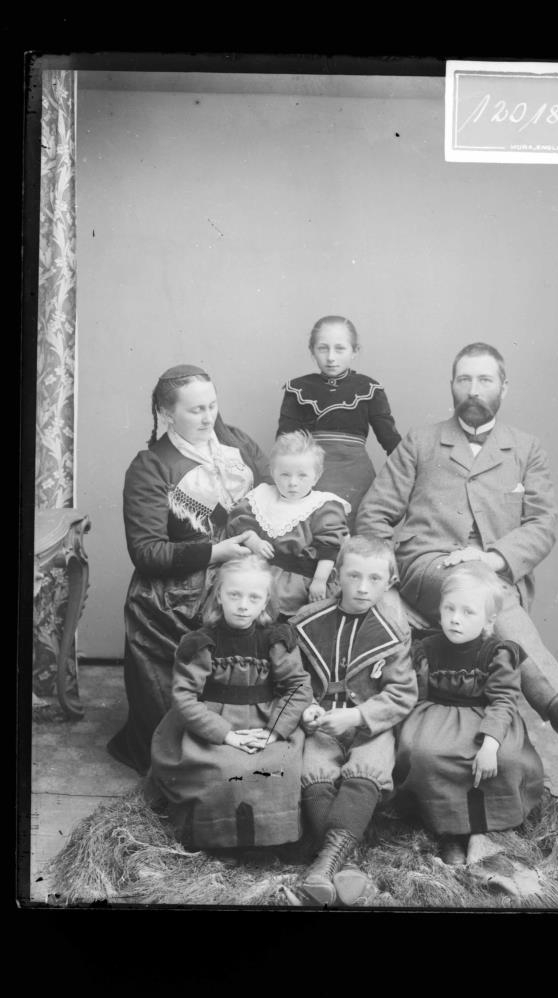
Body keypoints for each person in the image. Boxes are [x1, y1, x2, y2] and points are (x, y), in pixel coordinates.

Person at [355, 342, 558, 743]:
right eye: (464, 380)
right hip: (426, 564)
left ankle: (533, 712)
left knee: (483, 586)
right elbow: (374, 513)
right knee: (478, 586)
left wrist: (493, 559)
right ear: (451, 385)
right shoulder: (420, 441)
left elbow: (543, 523)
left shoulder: (526, 449)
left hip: (496, 571)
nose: (473, 390)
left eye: (484, 380)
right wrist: (385, 573)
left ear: (504, 387)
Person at [107, 363, 272, 776]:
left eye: (212, 406)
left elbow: (274, 498)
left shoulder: (239, 444)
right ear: (167, 413)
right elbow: (146, 552)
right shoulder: (150, 466)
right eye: (196, 410)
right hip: (176, 592)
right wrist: (217, 552)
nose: (208, 417)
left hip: (246, 570)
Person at [148, 556, 312, 849]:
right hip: (211, 727)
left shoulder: (276, 639)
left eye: (254, 597)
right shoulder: (200, 642)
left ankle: (272, 842)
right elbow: (184, 696)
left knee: (278, 766)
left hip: (264, 724)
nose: (243, 605)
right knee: (225, 770)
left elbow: (298, 686)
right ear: (219, 596)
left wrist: (274, 732)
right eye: (234, 595)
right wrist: (226, 735)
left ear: (265, 602)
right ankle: (217, 840)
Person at [289, 534, 418, 905]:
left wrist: (358, 715)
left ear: (389, 582)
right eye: (353, 576)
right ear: (337, 576)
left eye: (375, 578)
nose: (363, 587)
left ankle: (324, 864)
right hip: (321, 723)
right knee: (314, 771)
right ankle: (345, 863)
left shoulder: (394, 631)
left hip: (369, 725)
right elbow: (292, 679)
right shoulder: (305, 622)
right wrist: (308, 708)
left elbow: (401, 694)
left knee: (368, 768)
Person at [394, 562, 545, 865]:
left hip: (486, 717)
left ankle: (485, 830)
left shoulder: (498, 653)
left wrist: (490, 744)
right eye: (449, 609)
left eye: (468, 612)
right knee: (425, 754)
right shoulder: (426, 648)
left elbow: (503, 701)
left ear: (489, 620)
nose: (455, 619)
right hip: (435, 717)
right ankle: (448, 830)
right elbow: (413, 694)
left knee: (507, 758)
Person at [277, 315, 401, 527]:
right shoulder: (298, 389)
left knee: (357, 529)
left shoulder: (369, 388)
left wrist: (411, 474)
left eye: (340, 349)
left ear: (355, 351)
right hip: (312, 475)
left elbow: (392, 442)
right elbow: (284, 443)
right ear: (312, 350)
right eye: (323, 348)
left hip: (356, 476)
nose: (331, 357)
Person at [225, 431, 351, 618]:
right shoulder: (262, 496)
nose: (293, 483)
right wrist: (254, 541)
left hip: (300, 581)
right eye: (285, 475)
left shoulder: (324, 506)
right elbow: (240, 524)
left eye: (302, 476)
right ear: (273, 473)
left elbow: (329, 548)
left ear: (316, 477)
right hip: (259, 573)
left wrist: (319, 580)